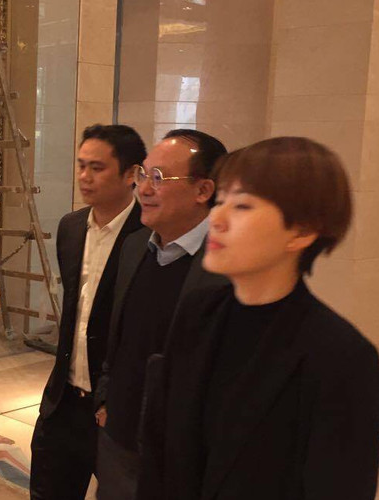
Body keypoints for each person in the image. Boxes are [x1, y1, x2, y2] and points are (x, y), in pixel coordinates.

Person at [138, 137, 379, 499]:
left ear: (301, 231)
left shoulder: (341, 356)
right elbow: (159, 453)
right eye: (221, 201)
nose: (217, 218)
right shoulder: (197, 312)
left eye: (242, 206)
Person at [92, 129, 228, 500]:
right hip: (119, 439)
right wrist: (106, 399)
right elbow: (118, 336)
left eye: (159, 178)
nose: (144, 189)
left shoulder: (226, 265)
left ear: (203, 190)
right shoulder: (134, 247)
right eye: (142, 175)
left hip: (181, 456)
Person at [30, 124, 147, 500]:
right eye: (81, 165)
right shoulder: (71, 227)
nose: (84, 176)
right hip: (63, 400)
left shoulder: (149, 235)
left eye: (97, 168)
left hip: (113, 409)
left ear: (131, 174)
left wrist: (119, 397)